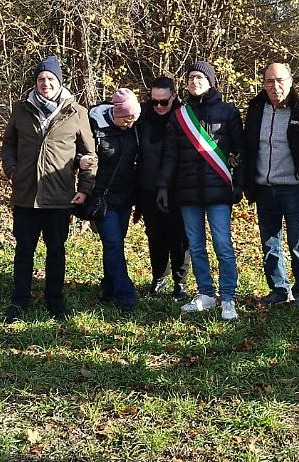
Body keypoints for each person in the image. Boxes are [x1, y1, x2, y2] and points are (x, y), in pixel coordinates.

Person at [0, 56, 97, 323]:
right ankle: (19, 301)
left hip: (59, 196)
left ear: (60, 82)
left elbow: (89, 156)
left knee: (56, 250)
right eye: (41, 79)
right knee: (24, 251)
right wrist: (12, 170)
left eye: (51, 78)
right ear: (35, 82)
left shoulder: (76, 112)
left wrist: (85, 187)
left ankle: (55, 301)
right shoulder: (21, 109)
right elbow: (8, 144)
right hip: (26, 196)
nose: (46, 83)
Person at [157, 61, 245, 321]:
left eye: (200, 77)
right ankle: (206, 293)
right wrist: (163, 186)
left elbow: (240, 151)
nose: (194, 82)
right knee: (196, 246)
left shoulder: (228, 112)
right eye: (190, 78)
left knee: (222, 245)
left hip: (219, 190)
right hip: (187, 192)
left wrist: (239, 183)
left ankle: (228, 297)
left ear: (211, 82)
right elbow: (170, 155)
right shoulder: (179, 115)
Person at [242, 62, 299, 311]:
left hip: (295, 189)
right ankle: (279, 289)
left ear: (290, 81)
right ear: (263, 84)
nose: (275, 86)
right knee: (269, 243)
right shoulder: (256, 109)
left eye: (280, 80)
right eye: (270, 81)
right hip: (264, 188)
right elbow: (248, 147)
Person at [136, 76, 189, 301]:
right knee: (155, 235)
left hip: (178, 188)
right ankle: (159, 276)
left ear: (173, 97)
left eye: (163, 101)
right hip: (148, 186)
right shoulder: (142, 116)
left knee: (179, 237)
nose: (158, 106)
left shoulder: (184, 117)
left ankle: (180, 281)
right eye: (154, 101)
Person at [89, 88, 142, 313]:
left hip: (126, 196)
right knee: (113, 243)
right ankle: (125, 296)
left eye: (134, 118)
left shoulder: (135, 128)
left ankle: (108, 286)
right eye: (126, 119)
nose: (130, 123)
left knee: (115, 243)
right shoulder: (94, 126)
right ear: (115, 113)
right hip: (103, 196)